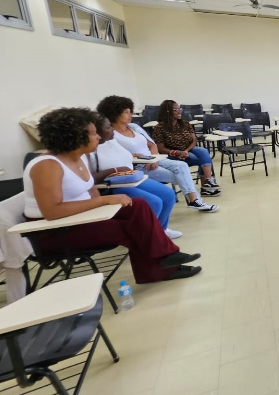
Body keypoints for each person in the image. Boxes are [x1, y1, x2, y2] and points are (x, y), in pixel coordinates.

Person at [23, 108, 201, 282]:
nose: (98, 137)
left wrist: (103, 205)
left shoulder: (79, 157)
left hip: (79, 218)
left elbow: (91, 189)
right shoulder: (47, 165)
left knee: (138, 205)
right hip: (56, 232)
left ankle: (165, 260)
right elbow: (52, 212)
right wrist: (105, 200)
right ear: (75, 136)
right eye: (93, 133)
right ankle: (163, 265)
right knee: (135, 228)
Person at [96, 95, 218, 213]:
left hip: (155, 159)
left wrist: (155, 159)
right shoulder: (111, 134)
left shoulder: (134, 127)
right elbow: (118, 155)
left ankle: (195, 201)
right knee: (180, 176)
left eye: (130, 111)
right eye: (126, 112)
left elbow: (152, 145)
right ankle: (195, 201)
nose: (130, 115)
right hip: (140, 166)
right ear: (115, 114)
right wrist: (135, 156)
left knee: (182, 166)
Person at [88, 116, 182, 239]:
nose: (112, 129)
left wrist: (131, 155)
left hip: (131, 178)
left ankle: (161, 230)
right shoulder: (90, 150)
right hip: (113, 185)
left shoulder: (111, 140)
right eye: (108, 127)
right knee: (154, 202)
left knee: (168, 194)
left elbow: (118, 155)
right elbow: (89, 179)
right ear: (97, 132)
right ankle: (148, 237)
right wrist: (116, 170)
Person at [152, 99, 222, 195]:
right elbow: (160, 148)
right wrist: (176, 152)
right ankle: (206, 187)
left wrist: (186, 150)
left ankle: (208, 181)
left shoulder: (185, 123)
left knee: (203, 151)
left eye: (180, 109)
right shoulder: (159, 128)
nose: (179, 112)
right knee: (202, 159)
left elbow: (194, 140)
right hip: (171, 154)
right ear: (167, 112)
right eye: (176, 110)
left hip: (188, 149)